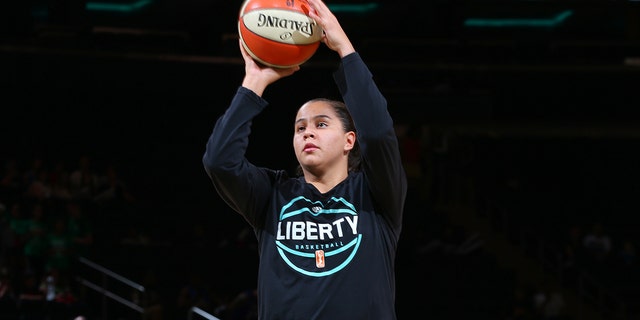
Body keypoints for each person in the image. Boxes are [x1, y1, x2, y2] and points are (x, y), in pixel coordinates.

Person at [202, 0, 407, 318]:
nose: (307, 133)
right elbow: (219, 161)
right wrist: (254, 81)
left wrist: (344, 48)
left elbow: (379, 134)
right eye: (300, 128)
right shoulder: (272, 195)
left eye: (321, 124)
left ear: (349, 141)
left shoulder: (377, 194)